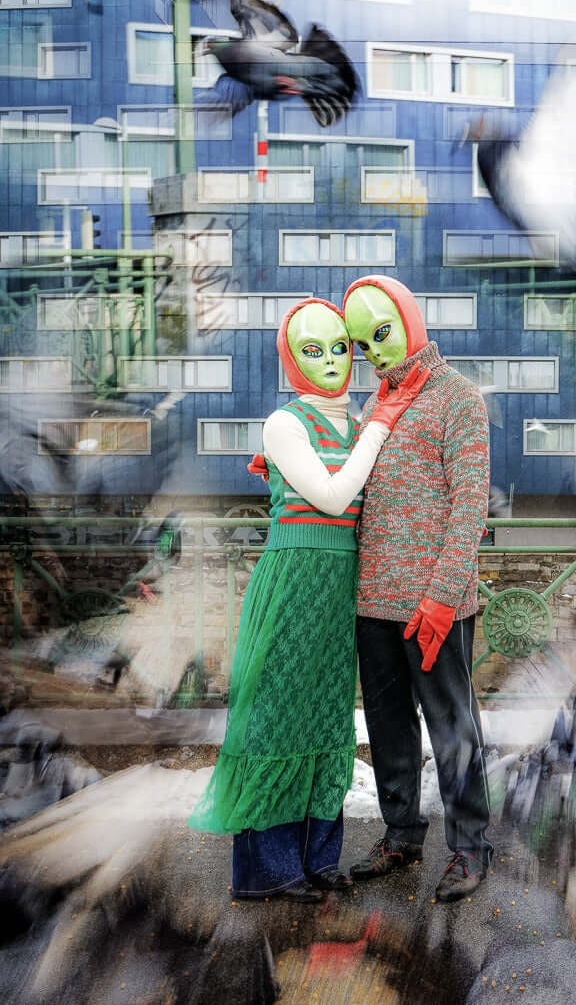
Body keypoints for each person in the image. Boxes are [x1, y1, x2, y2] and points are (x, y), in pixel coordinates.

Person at [188, 298, 428, 902]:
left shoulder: (358, 424)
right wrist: (381, 425)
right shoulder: (285, 422)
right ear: (291, 360)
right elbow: (332, 497)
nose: (330, 361)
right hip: (294, 582)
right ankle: (269, 871)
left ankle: (318, 860)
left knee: (326, 717)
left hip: (342, 585)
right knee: (277, 718)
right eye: (312, 350)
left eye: (340, 347)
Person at [342, 274, 493, 902]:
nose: (373, 353)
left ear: (409, 321)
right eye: (361, 345)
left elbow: (469, 506)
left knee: (453, 726)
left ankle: (471, 846)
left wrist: (442, 595)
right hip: (374, 602)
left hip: (436, 604)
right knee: (389, 728)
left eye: (381, 334)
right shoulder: (373, 408)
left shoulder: (458, 398)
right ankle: (401, 833)